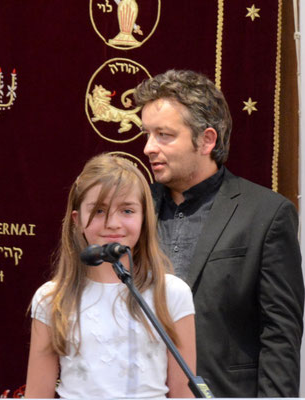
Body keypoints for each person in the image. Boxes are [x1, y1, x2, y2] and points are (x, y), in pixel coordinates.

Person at [134, 70, 305, 397]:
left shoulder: (266, 214)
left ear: (207, 140)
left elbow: (280, 335)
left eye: (163, 135)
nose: (148, 148)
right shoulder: (136, 211)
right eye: (147, 134)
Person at [24, 154, 197, 399]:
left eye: (127, 210)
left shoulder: (171, 293)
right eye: (99, 210)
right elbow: (37, 395)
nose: (113, 223)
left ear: (144, 217)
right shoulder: (52, 298)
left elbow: (183, 392)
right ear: (77, 220)